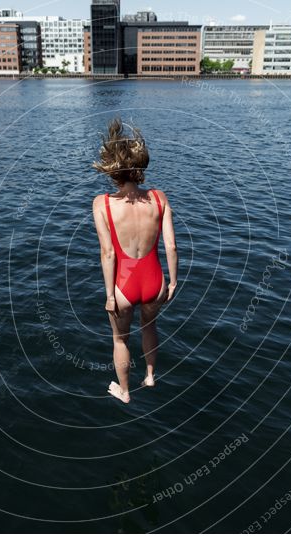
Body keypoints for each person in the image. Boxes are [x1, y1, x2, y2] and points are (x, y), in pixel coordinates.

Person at [92, 118, 178, 404]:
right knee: (149, 326)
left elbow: (108, 253)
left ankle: (125, 391)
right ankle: (151, 375)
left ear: (112, 168)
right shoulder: (159, 197)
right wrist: (173, 282)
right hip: (155, 282)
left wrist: (108, 296)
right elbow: (171, 245)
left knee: (120, 339)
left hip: (123, 285)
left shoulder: (102, 203)